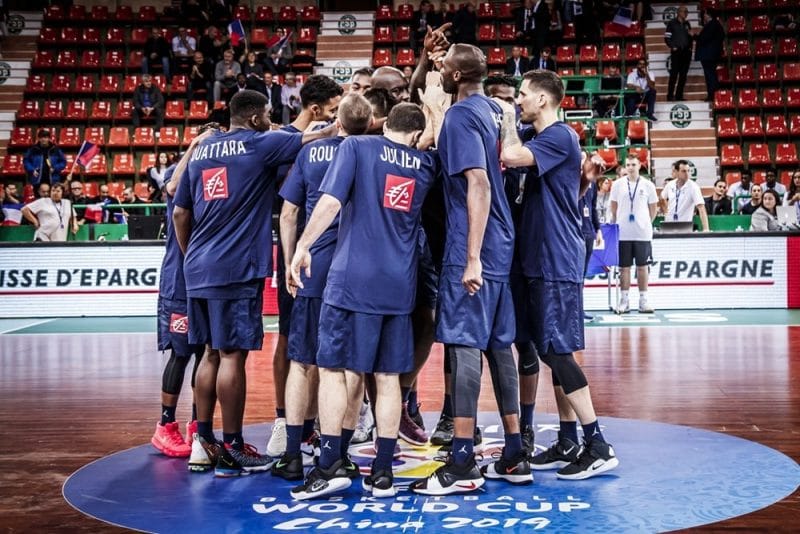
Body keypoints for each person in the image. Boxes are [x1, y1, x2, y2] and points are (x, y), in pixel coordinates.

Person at [172, 90, 335, 477]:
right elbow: (322, 134)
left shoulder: (204, 150)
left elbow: (179, 212)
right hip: (235, 267)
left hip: (197, 266)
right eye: (267, 116)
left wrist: (191, 255)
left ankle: (203, 442)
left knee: (210, 352)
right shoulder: (259, 143)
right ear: (258, 118)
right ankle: (231, 447)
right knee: (232, 355)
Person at [288, 102, 439, 499]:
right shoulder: (425, 166)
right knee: (388, 379)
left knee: (335, 371)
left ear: (385, 124)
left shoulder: (355, 147)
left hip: (352, 279)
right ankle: (384, 473)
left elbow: (330, 202)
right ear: (416, 134)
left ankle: (330, 463)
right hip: (399, 286)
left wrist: (304, 245)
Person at [411, 44, 529, 496]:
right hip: (502, 238)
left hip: (473, 243)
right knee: (499, 346)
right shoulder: (493, 110)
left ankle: (461, 459)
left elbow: (477, 183)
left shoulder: (461, 117)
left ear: (457, 74)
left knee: (462, 345)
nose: (437, 68)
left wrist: (472, 256)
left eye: (442, 64)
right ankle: (515, 451)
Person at [499, 68, 619, 480]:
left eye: (523, 95)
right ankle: (569, 439)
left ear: (544, 100)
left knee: (556, 351)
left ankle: (596, 442)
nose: (518, 101)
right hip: (538, 258)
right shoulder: (544, 140)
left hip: (555, 259)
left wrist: (502, 121)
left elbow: (510, 156)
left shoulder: (559, 135)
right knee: (550, 349)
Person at [271, 94, 373, 482]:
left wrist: (290, 261)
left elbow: (289, 212)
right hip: (358, 270)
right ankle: (339, 452)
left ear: (338, 121)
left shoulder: (312, 154)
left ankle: (294, 454)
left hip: (313, 266)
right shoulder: (376, 152)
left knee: (303, 361)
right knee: (352, 366)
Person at [266, 75, 344, 459]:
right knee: (290, 341)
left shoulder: (335, 143)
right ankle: (284, 421)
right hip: (296, 255)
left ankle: (312, 425)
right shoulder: (280, 141)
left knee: (322, 347)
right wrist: (291, 256)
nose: (336, 116)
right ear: (316, 110)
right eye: (332, 109)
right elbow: (287, 211)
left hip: (319, 255)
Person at [153, 126, 215, 461]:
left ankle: (196, 424)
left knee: (204, 352)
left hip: (203, 279)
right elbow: (172, 187)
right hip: (179, 281)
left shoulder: (213, 176)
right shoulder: (177, 170)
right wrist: (194, 146)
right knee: (180, 353)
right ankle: (165, 426)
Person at [484, 73, 539, 455]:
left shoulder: (530, 141)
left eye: (512, 98)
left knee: (526, 346)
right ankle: (455, 420)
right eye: (499, 99)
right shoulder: (477, 138)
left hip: (523, 256)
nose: (508, 105)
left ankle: (528, 426)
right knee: (468, 344)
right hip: (488, 253)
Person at [609, 153, 658, 314]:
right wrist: (619, 222)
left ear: (640, 166)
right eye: (628, 165)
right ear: (624, 167)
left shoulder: (648, 185)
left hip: (642, 233)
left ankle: (643, 301)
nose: (630, 168)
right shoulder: (617, 185)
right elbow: (614, 207)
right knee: (624, 268)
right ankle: (624, 301)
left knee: (643, 267)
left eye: (633, 165)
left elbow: (653, 209)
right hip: (623, 232)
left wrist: (644, 223)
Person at [660, 159, 709, 231]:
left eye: (688, 171)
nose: (687, 174)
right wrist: (666, 211)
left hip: (685, 225)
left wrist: (706, 229)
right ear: (676, 172)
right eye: (683, 171)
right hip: (669, 223)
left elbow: (701, 208)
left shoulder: (693, 187)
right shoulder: (670, 184)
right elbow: (662, 197)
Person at [694, 8, 724, 102]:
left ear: (708, 15)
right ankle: (712, 95)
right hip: (711, 55)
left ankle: (713, 96)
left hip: (708, 55)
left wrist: (694, 36)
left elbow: (703, 39)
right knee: (710, 76)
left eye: (705, 14)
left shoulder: (712, 24)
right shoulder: (715, 24)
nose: (703, 16)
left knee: (710, 76)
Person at [665, 5, 692, 101]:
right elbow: (667, 38)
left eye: (686, 12)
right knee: (674, 75)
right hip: (677, 52)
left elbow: (690, 37)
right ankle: (670, 96)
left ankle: (679, 96)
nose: (685, 13)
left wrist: (690, 49)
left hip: (686, 53)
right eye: (683, 11)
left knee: (683, 76)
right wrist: (673, 47)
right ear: (678, 12)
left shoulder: (687, 24)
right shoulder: (671, 23)